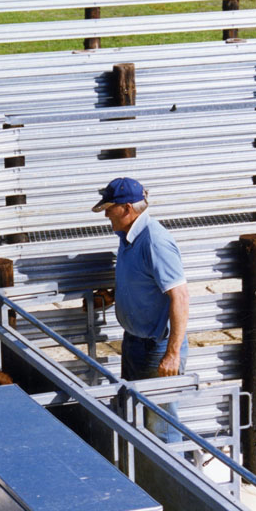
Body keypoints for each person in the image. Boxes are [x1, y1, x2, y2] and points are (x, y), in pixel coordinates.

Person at [92, 177, 190, 445]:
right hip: (135, 343)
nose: (106, 214)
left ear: (126, 209)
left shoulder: (154, 241)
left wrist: (172, 354)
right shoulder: (127, 236)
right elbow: (145, 281)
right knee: (135, 420)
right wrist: (115, 295)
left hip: (156, 348)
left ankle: (172, 485)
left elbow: (179, 296)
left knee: (160, 428)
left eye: (109, 208)